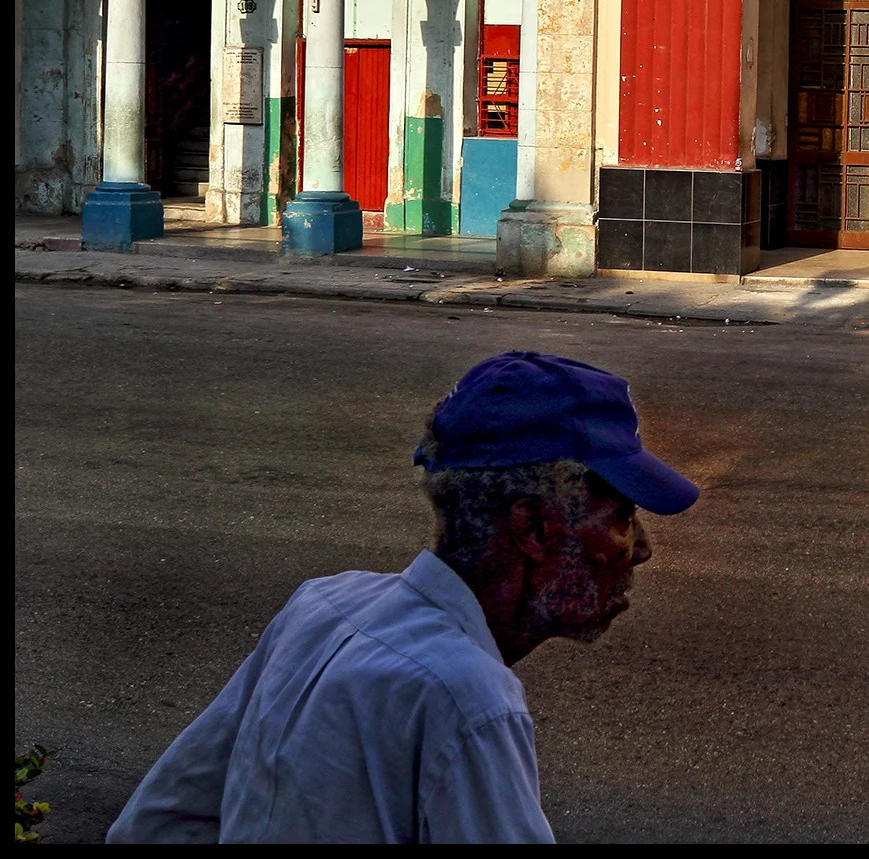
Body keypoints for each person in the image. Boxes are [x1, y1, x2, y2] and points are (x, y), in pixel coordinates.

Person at [106, 352, 701, 844]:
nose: (641, 548)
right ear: (536, 528)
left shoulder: (323, 606)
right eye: (622, 516)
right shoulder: (466, 694)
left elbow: (154, 825)